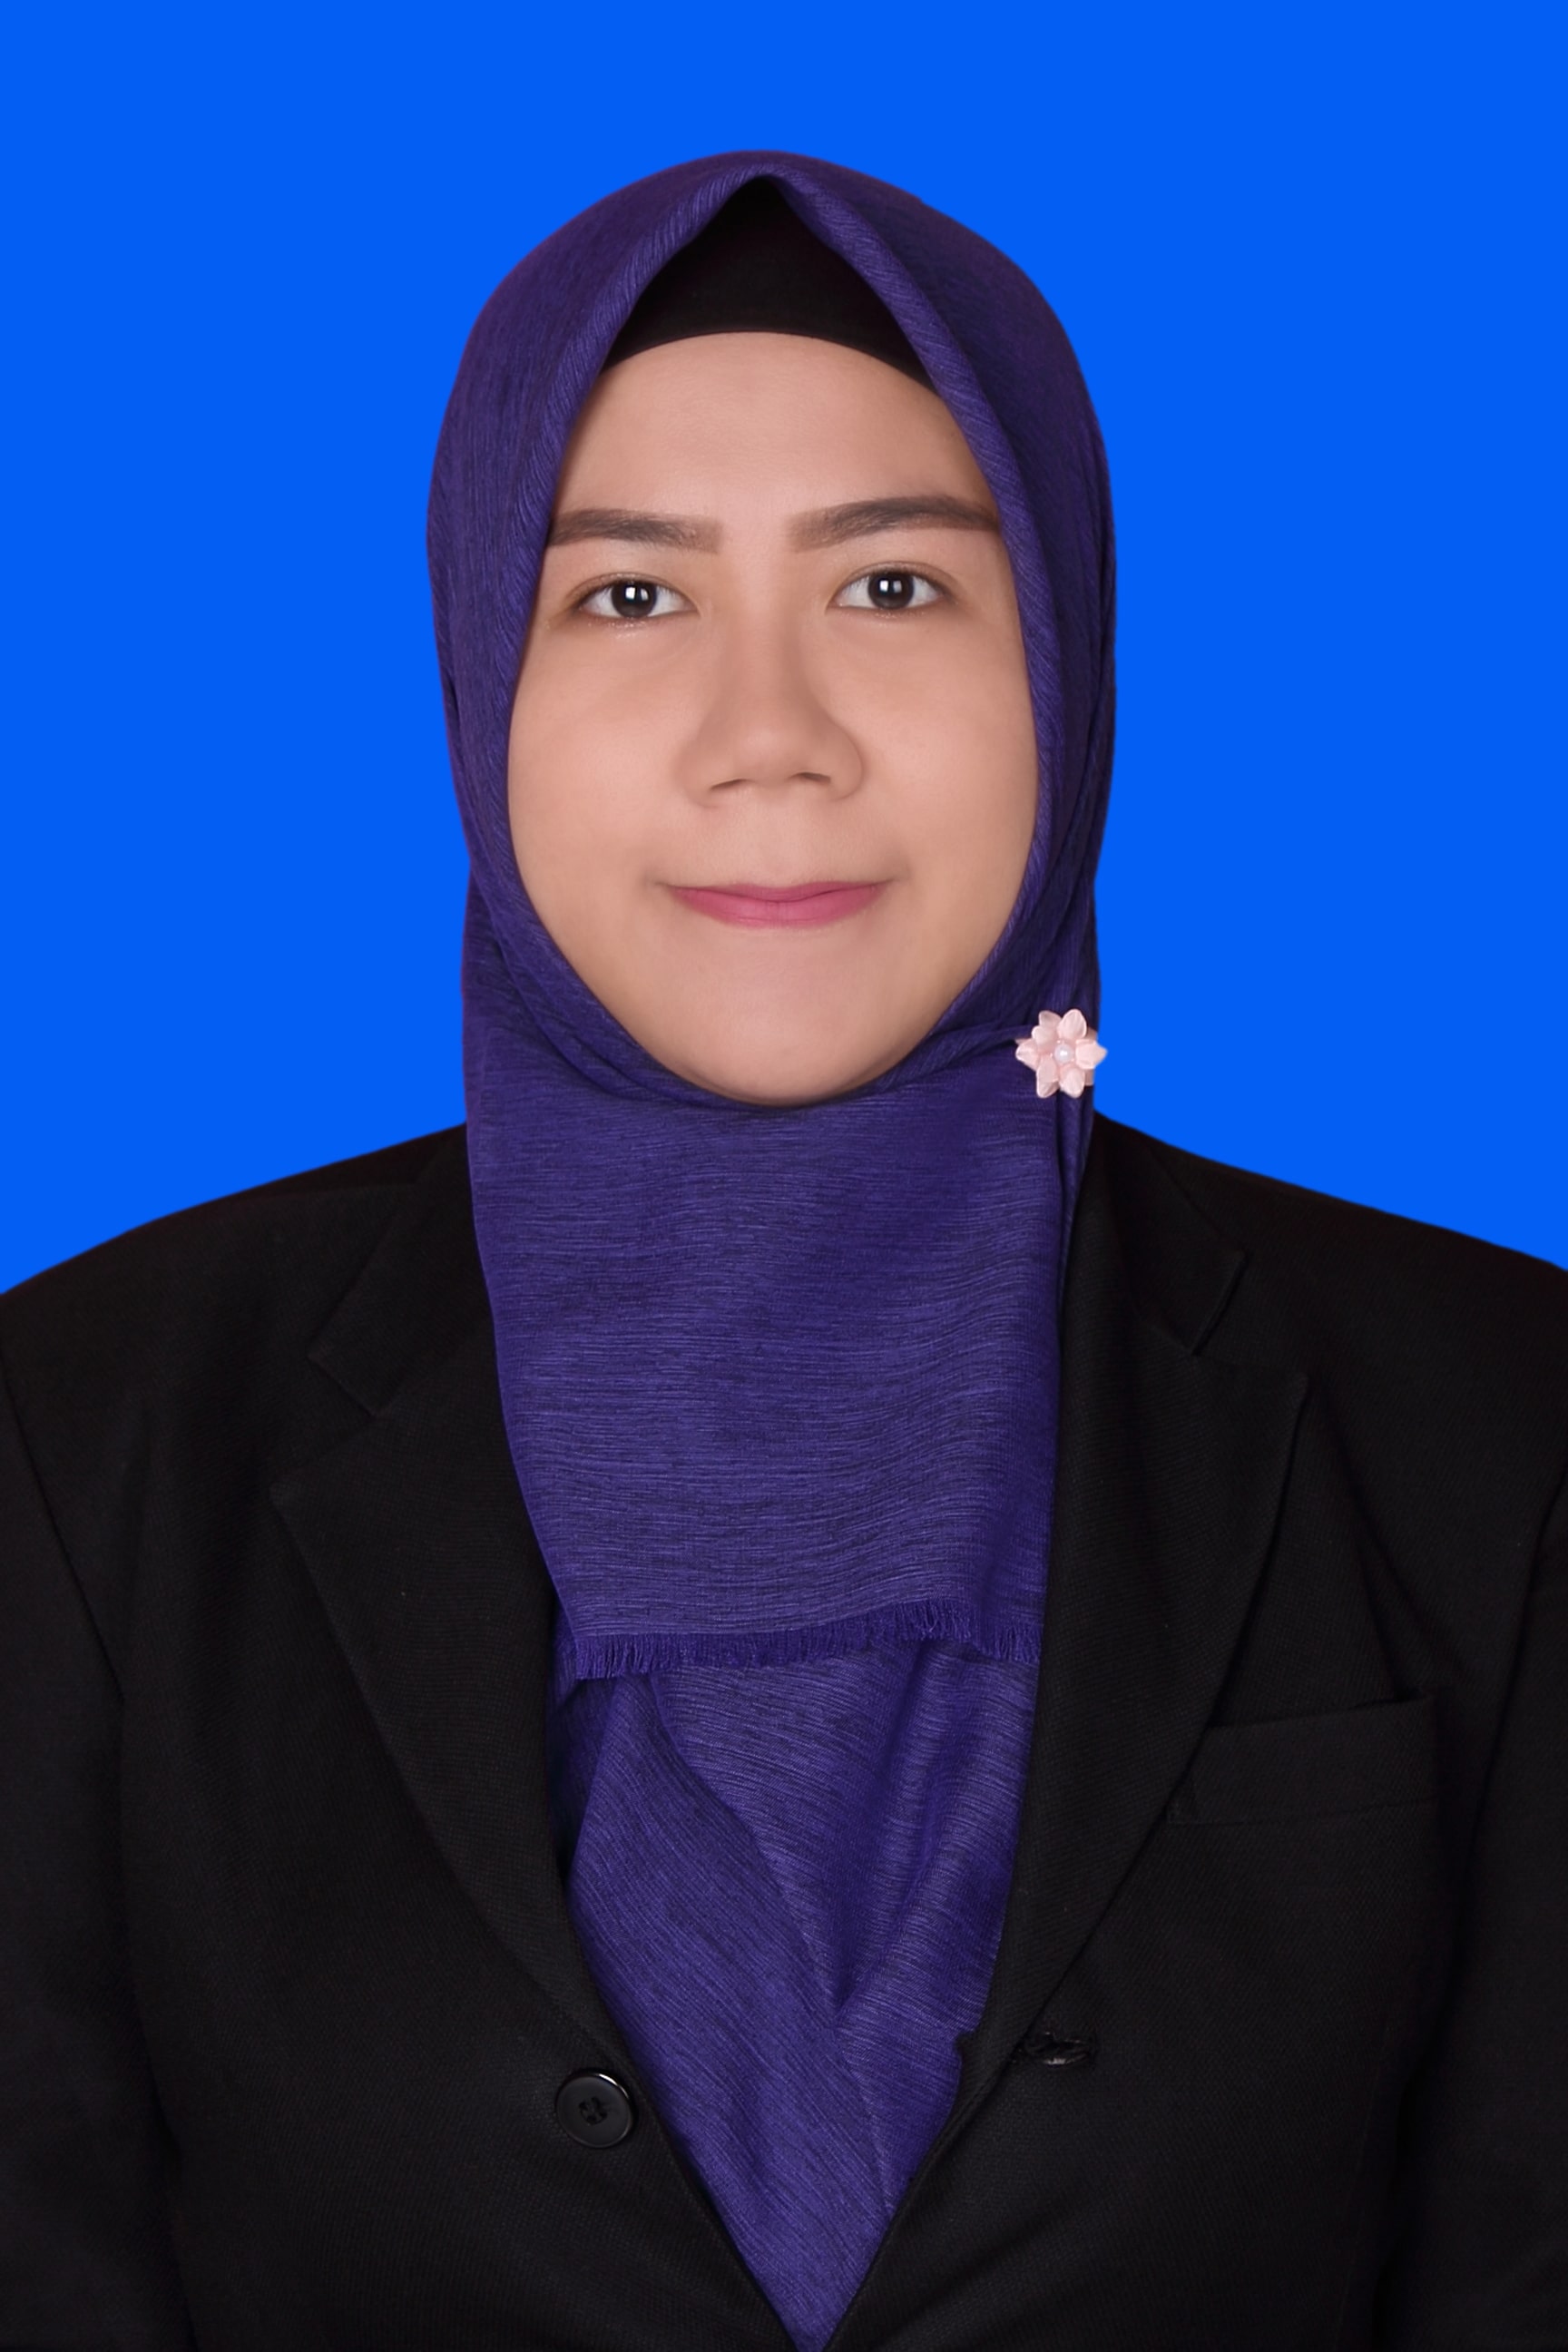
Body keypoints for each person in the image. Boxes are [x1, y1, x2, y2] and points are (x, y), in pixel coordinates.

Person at [2, 153, 1564, 2352]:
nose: (769, 740)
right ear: (477, 669)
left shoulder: (1491, 1413)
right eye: (629, 597)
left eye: (895, 586)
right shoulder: (92, 1431)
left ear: (1069, 659)